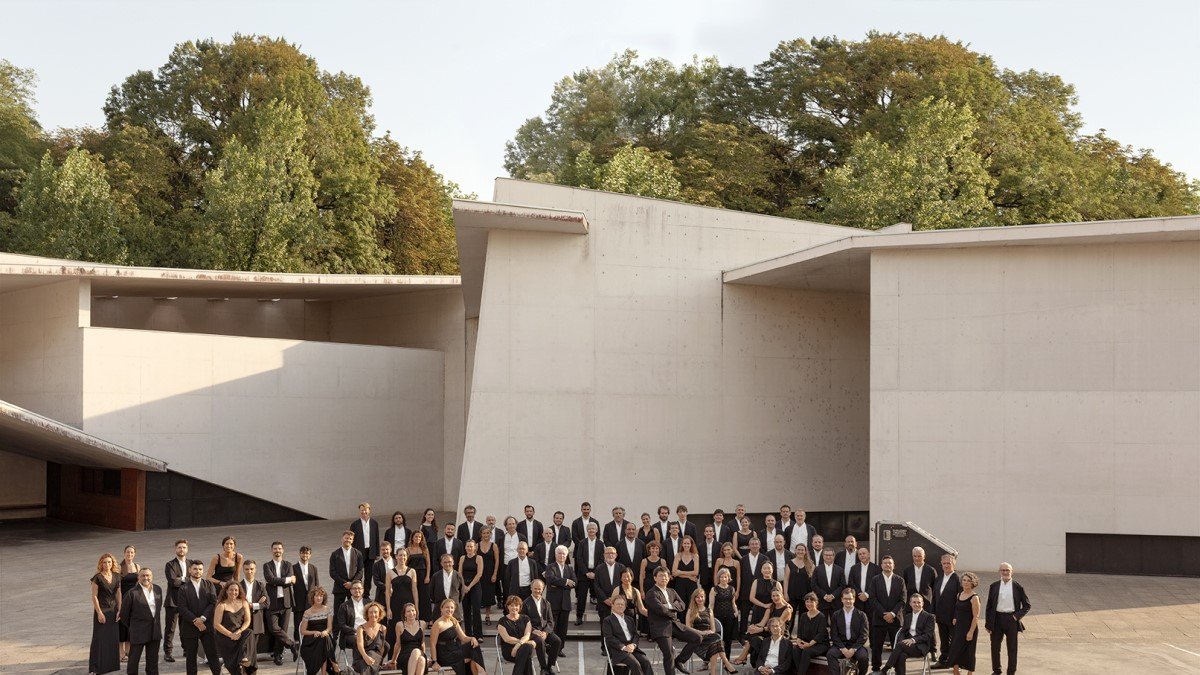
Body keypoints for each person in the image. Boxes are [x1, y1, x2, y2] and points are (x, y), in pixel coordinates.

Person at [645, 566, 703, 675]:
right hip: (660, 628)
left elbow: (682, 605)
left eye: (666, 576)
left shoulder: (671, 591)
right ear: (655, 578)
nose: (664, 578)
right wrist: (672, 610)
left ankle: (679, 661)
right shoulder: (651, 593)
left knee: (697, 638)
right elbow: (660, 610)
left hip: (675, 624)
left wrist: (668, 605)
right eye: (661, 576)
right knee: (669, 653)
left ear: (669, 578)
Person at [176, 559, 222, 675]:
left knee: (212, 655)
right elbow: (182, 608)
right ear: (190, 570)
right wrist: (195, 621)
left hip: (206, 626)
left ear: (203, 570)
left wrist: (202, 618)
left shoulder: (209, 584)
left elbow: (213, 603)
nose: (197, 571)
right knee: (191, 657)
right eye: (195, 569)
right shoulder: (183, 588)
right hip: (189, 627)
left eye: (200, 569)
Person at [985, 563, 1029, 675]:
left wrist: (1016, 616)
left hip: (1011, 620)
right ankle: (996, 670)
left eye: (1007, 570)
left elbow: (1027, 605)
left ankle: (1011, 672)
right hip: (996, 619)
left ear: (1011, 571)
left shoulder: (1018, 587)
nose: (1005, 572)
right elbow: (989, 606)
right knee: (995, 647)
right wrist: (988, 624)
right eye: (1003, 570)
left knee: (1012, 648)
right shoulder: (994, 586)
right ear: (999, 571)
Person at [868, 555, 908, 673]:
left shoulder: (899, 580)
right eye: (885, 563)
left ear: (893, 565)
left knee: (897, 647)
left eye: (890, 563)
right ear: (881, 565)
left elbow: (903, 600)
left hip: (895, 620)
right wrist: (884, 614)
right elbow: (872, 599)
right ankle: (876, 669)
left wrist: (892, 614)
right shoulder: (875, 579)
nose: (887, 565)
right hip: (879, 619)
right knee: (876, 647)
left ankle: (897, 669)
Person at [685, 587, 737, 675]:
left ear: (705, 597)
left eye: (702, 596)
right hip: (697, 639)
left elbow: (713, 629)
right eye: (697, 597)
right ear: (694, 598)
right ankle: (726, 663)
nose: (700, 599)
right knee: (717, 639)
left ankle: (713, 673)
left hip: (710, 637)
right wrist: (702, 632)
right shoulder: (690, 611)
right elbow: (688, 627)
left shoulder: (709, 611)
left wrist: (709, 632)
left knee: (715, 643)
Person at [881, 593, 936, 675]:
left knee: (899, 646)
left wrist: (913, 640)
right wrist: (904, 641)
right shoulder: (908, 616)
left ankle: (884, 670)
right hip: (907, 645)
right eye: (914, 602)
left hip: (921, 646)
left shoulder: (929, 617)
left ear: (923, 603)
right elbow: (903, 631)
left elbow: (927, 635)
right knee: (901, 655)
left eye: (919, 602)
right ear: (910, 603)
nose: (916, 604)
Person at [734, 588, 791, 667]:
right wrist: (754, 627)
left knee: (756, 637)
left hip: (780, 632)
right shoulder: (770, 607)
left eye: (777, 595)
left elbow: (777, 626)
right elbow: (762, 623)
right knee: (752, 635)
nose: (775, 598)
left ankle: (744, 657)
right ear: (771, 597)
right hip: (769, 631)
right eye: (773, 596)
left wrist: (760, 629)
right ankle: (752, 658)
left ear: (782, 596)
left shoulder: (787, 610)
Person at [263, 542, 299, 665]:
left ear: (283, 550)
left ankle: (278, 655)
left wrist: (282, 581)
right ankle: (292, 644)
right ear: (271, 550)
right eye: (275, 549)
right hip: (272, 602)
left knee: (282, 629)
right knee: (274, 628)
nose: (277, 550)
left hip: (286, 602)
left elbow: (291, 582)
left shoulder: (288, 565)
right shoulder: (267, 565)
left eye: (279, 548)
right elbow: (270, 579)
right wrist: (287, 579)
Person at [429, 599, 487, 675]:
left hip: (455, 650)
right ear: (441, 609)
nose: (450, 609)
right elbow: (432, 644)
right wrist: (434, 662)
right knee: (474, 653)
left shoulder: (453, 621)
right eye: (447, 607)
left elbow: (464, 638)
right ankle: (482, 672)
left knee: (474, 646)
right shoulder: (438, 624)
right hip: (445, 654)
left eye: (452, 608)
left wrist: (473, 638)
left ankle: (481, 672)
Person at [602, 595, 653, 675]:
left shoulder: (630, 619)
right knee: (635, 664)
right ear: (612, 605)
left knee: (646, 661)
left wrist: (633, 645)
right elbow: (610, 638)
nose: (620, 606)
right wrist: (624, 647)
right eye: (618, 604)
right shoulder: (608, 620)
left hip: (633, 649)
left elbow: (635, 635)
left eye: (622, 604)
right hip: (618, 651)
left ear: (625, 607)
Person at [213, 578, 253, 675]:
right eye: (231, 589)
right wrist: (231, 634)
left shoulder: (244, 602)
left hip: (240, 633)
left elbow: (247, 621)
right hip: (226, 636)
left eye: (236, 590)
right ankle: (236, 664)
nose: (233, 592)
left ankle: (244, 658)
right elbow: (216, 624)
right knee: (235, 670)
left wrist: (239, 631)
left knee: (249, 632)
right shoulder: (221, 605)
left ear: (239, 591)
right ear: (226, 591)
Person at [90, 552, 121, 675]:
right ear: (101, 564)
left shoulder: (117, 576)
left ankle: (110, 666)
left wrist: (120, 609)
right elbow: (94, 596)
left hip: (113, 611)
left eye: (109, 562)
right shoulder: (97, 577)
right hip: (102, 611)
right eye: (104, 562)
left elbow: (119, 594)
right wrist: (99, 612)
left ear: (112, 563)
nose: (107, 564)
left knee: (112, 639)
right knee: (99, 639)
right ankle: (95, 668)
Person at [330, 530, 365, 638]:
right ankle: (335, 636)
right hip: (340, 588)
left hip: (354, 589)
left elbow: (360, 571)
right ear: (342, 538)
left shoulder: (358, 553)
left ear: (352, 540)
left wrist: (352, 584)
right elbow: (332, 572)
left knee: (354, 611)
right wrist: (345, 583)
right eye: (346, 538)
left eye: (350, 538)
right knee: (337, 612)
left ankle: (353, 632)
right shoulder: (335, 554)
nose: (348, 540)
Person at [825, 588, 869, 675]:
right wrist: (843, 649)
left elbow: (864, 635)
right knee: (830, 654)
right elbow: (834, 635)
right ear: (841, 599)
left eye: (850, 599)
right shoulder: (836, 615)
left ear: (854, 599)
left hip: (856, 645)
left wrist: (853, 649)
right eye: (845, 599)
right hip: (841, 644)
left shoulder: (862, 615)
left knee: (863, 657)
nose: (848, 601)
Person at [523, 579, 562, 673]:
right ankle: (543, 668)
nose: (537, 591)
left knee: (557, 641)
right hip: (532, 631)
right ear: (531, 588)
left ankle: (549, 667)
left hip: (545, 631)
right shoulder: (525, 603)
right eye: (535, 588)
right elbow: (523, 622)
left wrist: (546, 632)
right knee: (540, 642)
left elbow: (551, 621)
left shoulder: (546, 603)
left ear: (543, 589)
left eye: (539, 589)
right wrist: (533, 630)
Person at [298, 586, 338, 675]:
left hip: (325, 638)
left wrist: (326, 631)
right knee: (324, 641)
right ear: (313, 598)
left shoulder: (327, 609)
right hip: (310, 641)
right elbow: (302, 631)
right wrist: (314, 632)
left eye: (321, 596)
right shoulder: (307, 612)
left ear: (324, 597)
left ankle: (325, 672)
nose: (319, 598)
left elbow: (330, 627)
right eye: (316, 596)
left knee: (324, 639)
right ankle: (334, 664)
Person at [947, 572, 981, 675]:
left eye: (968, 581)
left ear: (973, 583)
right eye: (964, 580)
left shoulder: (974, 598)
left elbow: (976, 616)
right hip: (958, 628)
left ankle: (970, 673)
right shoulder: (959, 594)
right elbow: (957, 609)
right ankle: (956, 671)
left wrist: (970, 632)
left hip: (969, 628)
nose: (966, 582)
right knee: (955, 650)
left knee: (969, 652)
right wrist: (955, 617)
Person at [543, 545, 577, 648]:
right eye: (559, 553)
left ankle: (559, 649)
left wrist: (557, 584)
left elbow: (575, 583)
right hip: (553, 603)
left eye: (564, 554)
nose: (562, 555)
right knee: (552, 627)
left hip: (565, 604)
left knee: (563, 629)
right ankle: (551, 648)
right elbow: (550, 580)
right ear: (555, 554)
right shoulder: (550, 567)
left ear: (566, 556)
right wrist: (566, 582)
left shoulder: (569, 568)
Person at [238, 560, 269, 672]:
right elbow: (236, 603)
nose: (249, 571)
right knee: (244, 647)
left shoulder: (260, 585)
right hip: (242, 621)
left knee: (253, 649)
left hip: (256, 621)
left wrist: (252, 605)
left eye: (251, 569)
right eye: (247, 569)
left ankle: (252, 671)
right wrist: (256, 603)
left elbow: (266, 603)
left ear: (255, 570)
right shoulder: (238, 585)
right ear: (243, 570)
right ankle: (243, 670)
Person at [163, 539, 190, 663]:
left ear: (187, 549)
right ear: (175, 549)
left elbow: (196, 578)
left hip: (187, 601)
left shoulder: (191, 563)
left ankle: (186, 649)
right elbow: (173, 582)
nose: (181, 549)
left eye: (184, 547)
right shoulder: (170, 564)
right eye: (179, 547)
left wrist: (181, 579)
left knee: (185, 627)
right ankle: (167, 653)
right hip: (173, 601)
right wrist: (186, 579)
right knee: (170, 629)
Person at [932, 553, 961, 667]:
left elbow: (960, 601)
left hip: (952, 617)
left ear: (953, 564)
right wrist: (933, 613)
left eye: (948, 563)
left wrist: (956, 616)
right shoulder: (939, 578)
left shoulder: (958, 579)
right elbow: (935, 596)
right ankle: (943, 660)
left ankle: (955, 662)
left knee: (954, 641)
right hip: (940, 616)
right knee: (943, 640)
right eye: (944, 563)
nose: (946, 565)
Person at [789, 593, 828, 675]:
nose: (809, 604)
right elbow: (799, 633)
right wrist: (799, 641)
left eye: (811, 601)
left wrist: (809, 644)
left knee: (806, 652)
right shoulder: (803, 616)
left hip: (820, 644)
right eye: (807, 601)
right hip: (805, 642)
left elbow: (820, 635)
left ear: (816, 603)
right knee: (795, 649)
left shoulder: (821, 616)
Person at [496, 596, 536, 675]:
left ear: (520, 607)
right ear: (507, 606)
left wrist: (517, 646)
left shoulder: (526, 618)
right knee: (527, 653)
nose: (514, 607)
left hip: (520, 649)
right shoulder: (502, 621)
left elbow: (527, 635)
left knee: (526, 649)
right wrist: (523, 642)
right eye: (511, 605)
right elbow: (507, 639)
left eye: (516, 605)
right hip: (509, 651)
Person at [573, 522, 603, 625]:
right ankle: (579, 617)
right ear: (587, 530)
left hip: (597, 574)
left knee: (599, 596)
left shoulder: (600, 544)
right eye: (589, 528)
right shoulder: (582, 543)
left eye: (593, 529)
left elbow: (601, 559)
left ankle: (602, 617)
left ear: (597, 530)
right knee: (581, 597)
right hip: (583, 574)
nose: (591, 530)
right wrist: (586, 572)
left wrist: (594, 572)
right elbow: (579, 558)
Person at [386, 547, 419, 639]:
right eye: (400, 555)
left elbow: (414, 590)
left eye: (404, 555)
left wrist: (416, 607)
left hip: (409, 603)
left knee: (408, 627)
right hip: (395, 604)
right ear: (396, 556)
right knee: (394, 629)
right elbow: (388, 592)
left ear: (407, 557)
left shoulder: (412, 571)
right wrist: (388, 608)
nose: (402, 557)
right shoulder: (390, 573)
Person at [387, 602, 427, 675]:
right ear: (404, 614)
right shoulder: (399, 625)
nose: (411, 613)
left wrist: (424, 654)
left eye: (413, 610)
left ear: (416, 612)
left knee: (421, 657)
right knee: (421, 659)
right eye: (408, 611)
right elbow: (398, 644)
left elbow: (422, 642)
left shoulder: (422, 623)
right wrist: (393, 660)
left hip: (419, 653)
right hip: (405, 655)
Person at [119, 545, 142, 662]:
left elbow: (139, 584)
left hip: (133, 599)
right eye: (128, 552)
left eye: (132, 552)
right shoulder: (119, 567)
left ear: (134, 554)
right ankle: (121, 652)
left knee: (130, 624)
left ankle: (128, 650)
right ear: (124, 553)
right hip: (122, 598)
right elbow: (117, 586)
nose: (130, 554)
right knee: (122, 624)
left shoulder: (137, 566)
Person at [708, 568, 739, 658]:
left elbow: (733, 603)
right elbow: (711, 604)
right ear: (719, 578)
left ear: (728, 578)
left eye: (725, 577)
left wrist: (736, 612)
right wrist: (710, 617)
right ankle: (715, 658)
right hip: (718, 616)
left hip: (730, 616)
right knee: (718, 639)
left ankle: (727, 660)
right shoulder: (714, 589)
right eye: (721, 577)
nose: (723, 579)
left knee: (728, 639)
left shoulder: (731, 589)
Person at [738, 537, 766, 634]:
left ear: (759, 545)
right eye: (752, 544)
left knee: (758, 615)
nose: (754, 546)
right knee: (744, 615)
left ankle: (757, 633)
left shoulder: (764, 558)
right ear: (749, 546)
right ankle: (742, 635)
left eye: (756, 544)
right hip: (745, 592)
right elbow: (740, 577)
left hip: (760, 593)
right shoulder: (743, 559)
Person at [292, 546, 320, 644]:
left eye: (307, 553)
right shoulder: (293, 568)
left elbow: (317, 586)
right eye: (303, 553)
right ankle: (297, 644)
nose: (305, 555)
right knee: (298, 624)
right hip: (298, 601)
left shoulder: (313, 568)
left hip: (310, 602)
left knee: (311, 623)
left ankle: (310, 643)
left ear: (310, 555)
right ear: (300, 554)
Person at [494, 516, 525, 602]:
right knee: (506, 586)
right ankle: (506, 606)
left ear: (516, 525)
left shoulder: (522, 537)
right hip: (505, 566)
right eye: (509, 524)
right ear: (506, 526)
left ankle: (518, 604)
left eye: (513, 524)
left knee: (518, 585)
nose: (512, 526)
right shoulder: (501, 539)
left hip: (519, 565)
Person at [593, 546, 625, 625]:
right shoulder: (599, 568)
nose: (610, 555)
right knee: (605, 627)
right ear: (604, 555)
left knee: (618, 627)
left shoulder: (621, 568)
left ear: (616, 555)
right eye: (608, 553)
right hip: (604, 603)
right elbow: (597, 586)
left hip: (618, 603)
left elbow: (624, 584)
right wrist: (605, 599)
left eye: (612, 553)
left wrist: (616, 599)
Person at [459, 539, 484, 637]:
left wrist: (469, 586)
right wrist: (464, 585)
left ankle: (478, 634)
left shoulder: (479, 558)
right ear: (465, 547)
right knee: (466, 609)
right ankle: (468, 633)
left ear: (475, 548)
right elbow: (459, 573)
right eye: (468, 546)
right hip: (464, 586)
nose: (469, 548)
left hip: (475, 586)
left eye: (471, 546)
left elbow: (479, 574)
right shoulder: (462, 558)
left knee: (476, 610)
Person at [354, 602, 388, 675]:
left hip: (376, 659)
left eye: (375, 612)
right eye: (370, 612)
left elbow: (382, 648)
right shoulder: (360, 628)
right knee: (366, 663)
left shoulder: (383, 628)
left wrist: (379, 661)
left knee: (371, 657)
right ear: (367, 614)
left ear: (379, 614)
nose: (373, 614)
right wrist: (366, 657)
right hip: (361, 658)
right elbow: (359, 645)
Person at [336, 582, 369, 655]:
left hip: (368, 632)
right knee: (359, 640)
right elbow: (341, 625)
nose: (357, 590)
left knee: (385, 645)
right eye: (354, 588)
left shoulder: (369, 603)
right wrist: (356, 631)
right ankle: (358, 665)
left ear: (363, 590)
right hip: (350, 634)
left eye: (359, 588)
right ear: (350, 591)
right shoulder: (344, 606)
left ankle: (375, 663)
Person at [405, 530, 432, 621]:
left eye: (419, 537)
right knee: (413, 596)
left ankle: (427, 619)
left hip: (423, 575)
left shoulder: (424, 549)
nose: (417, 538)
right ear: (412, 538)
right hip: (412, 575)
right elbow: (405, 564)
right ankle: (414, 617)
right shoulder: (407, 550)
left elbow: (428, 563)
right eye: (416, 536)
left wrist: (427, 576)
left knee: (425, 596)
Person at [352, 504, 382, 583]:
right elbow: (352, 541)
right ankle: (358, 593)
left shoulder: (374, 523)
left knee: (369, 575)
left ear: (369, 511)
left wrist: (377, 553)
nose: (364, 512)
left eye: (365, 510)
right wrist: (353, 553)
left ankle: (366, 595)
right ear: (359, 511)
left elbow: (377, 538)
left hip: (370, 552)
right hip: (359, 553)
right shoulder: (355, 524)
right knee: (358, 574)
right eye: (362, 510)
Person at [430, 553, 465, 621]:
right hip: (439, 610)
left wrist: (454, 601)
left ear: (453, 562)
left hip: (454, 611)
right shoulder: (436, 576)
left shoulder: (458, 576)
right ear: (441, 563)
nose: (447, 564)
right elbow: (431, 593)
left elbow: (462, 593)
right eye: (445, 562)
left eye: (449, 562)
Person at [785, 544, 814, 623]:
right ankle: (788, 634)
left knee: (803, 617)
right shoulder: (789, 563)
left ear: (805, 552)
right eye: (798, 549)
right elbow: (786, 579)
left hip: (806, 595)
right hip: (792, 594)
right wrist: (785, 594)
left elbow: (813, 582)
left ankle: (802, 635)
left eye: (802, 550)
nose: (800, 551)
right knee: (790, 616)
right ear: (795, 551)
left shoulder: (810, 564)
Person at [477, 526, 499, 626]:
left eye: (488, 533)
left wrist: (494, 574)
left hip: (490, 574)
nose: (486, 535)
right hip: (479, 573)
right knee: (478, 594)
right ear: (481, 534)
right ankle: (476, 616)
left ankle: (487, 616)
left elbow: (497, 561)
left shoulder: (494, 545)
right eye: (484, 533)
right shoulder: (477, 545)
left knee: (489, 595)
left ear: (490, 534)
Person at [848, 546, 880, 615]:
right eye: (860, 554)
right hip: (858, 600)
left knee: (871, 622)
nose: (862, 555)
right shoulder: (854, 568)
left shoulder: (876, 568)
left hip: (871, 600)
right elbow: (851, 583)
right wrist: (859, 593)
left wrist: (866, 594)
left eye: (864, 553)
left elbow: (877, 584)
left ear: (868, 554)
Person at [812, 548, 845, 615]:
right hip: (821, 601)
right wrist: (824, 595)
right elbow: (814, 585)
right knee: (822, 624)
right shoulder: (817, 569)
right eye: (826, 555)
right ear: (823, 556)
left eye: (830, 555)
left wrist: (832, 596)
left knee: (836, 624)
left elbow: (842, 585)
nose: (828, 557)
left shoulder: (840, 569)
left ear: (833, 556)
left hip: (836, 602)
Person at [747, 561, 781, 626]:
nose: (766, 570)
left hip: (772, 611)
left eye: (769, 568)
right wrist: (763, 605)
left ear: (772, 570)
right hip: (757, 611)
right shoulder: (756, 582)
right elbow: (751, 598)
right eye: (764, 568)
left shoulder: (777, 584)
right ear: (761, 570)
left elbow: (781, 599)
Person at [672, 535, 700, 608]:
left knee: (691, 605)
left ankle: (690, 620)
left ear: (691, 544)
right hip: (680, 584)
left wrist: (680, 572)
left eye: (688, 543)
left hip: (692, 584)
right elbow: (674, 573)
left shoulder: (695, 556)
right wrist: (689, 576)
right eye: (685, 543)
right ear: (682, 544)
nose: (686, 545)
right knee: (681, 605)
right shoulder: (678, 555)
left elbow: (696, 572)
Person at [698, 524, 721, 593]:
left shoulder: (719, 545)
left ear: (713, 533)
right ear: (704, 533)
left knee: (716, 593)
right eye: (707, 531)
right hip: (704, 573)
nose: (708, 533)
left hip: (716, 572)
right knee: (705, 594)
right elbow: (699, 561)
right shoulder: (700, 546)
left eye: (710, 531)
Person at [371, 541, 395, 606]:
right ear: (380, 551)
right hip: (381, 594)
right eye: (383, 550)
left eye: (387, 549)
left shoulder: (396, 562)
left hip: (396, 593)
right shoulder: (376, 565)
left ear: (391, 550)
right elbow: (376, 581)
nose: (385, 551)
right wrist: (387, 588)